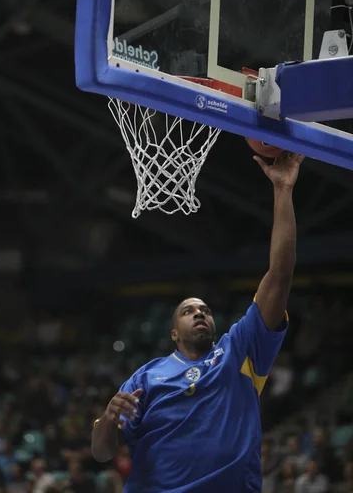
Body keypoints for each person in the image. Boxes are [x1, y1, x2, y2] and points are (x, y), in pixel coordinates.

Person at [92, 152, 304, 492]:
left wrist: (283, 189)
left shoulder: (240, 350)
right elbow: (102, 453)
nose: (199, 313)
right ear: (174, 333)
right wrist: (107, 419)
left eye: (204, 309)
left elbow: (280, 275)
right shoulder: (146, 376)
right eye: (188, 311)